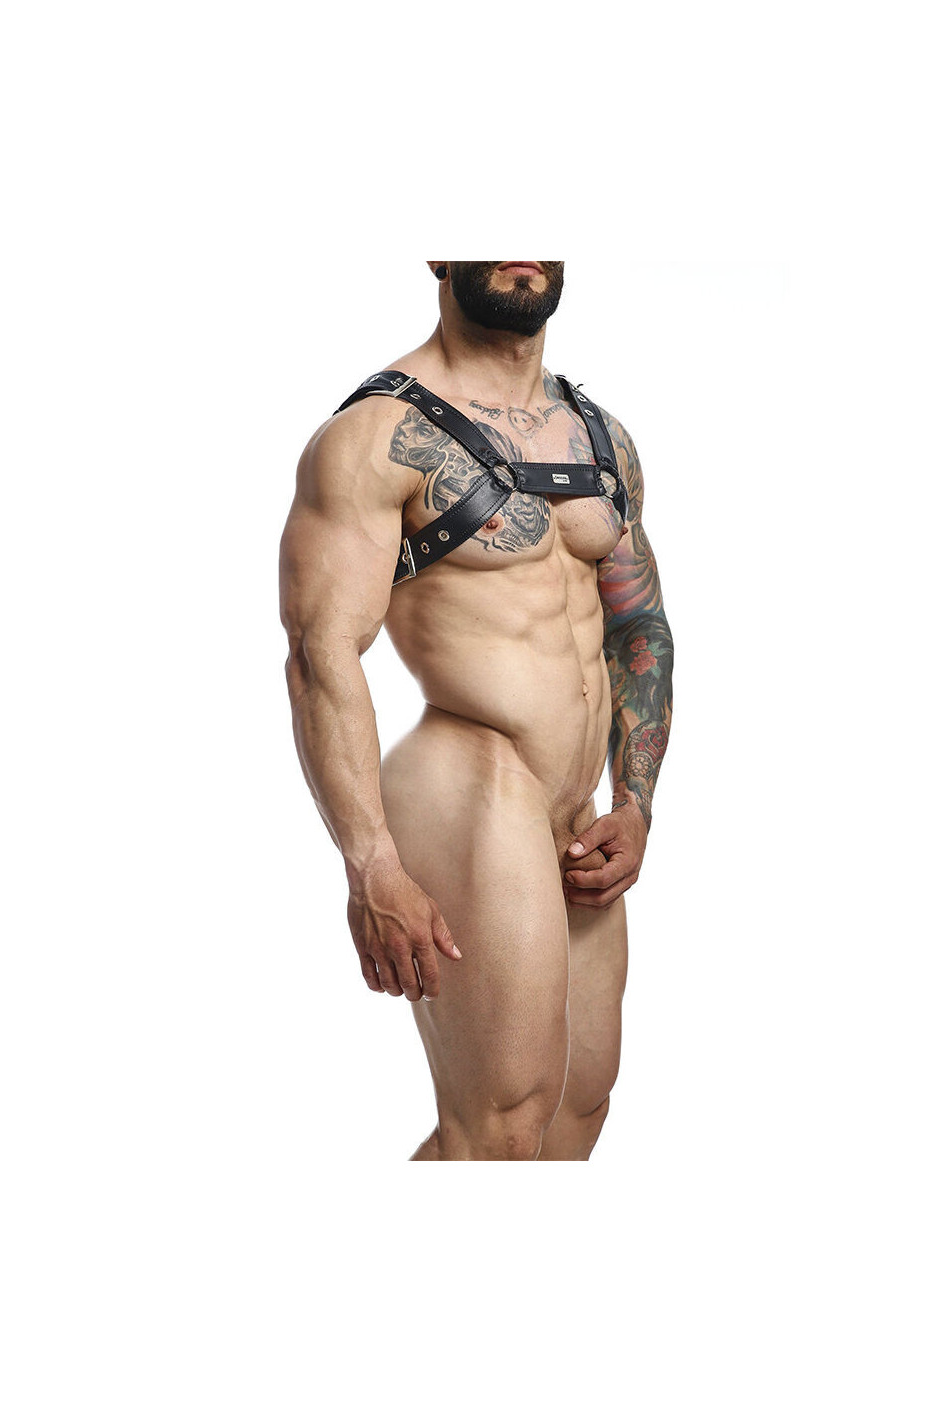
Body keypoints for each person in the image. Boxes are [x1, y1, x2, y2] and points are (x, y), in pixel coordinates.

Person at [279, 261, 673, 1160]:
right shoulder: (377, 436)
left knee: (576, 1111)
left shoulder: (601, 436)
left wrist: (637, 803)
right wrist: (371, 865)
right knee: (499, 1126)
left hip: (576, 808)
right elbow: (319, 650)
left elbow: (639, 624)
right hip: (471, 776)